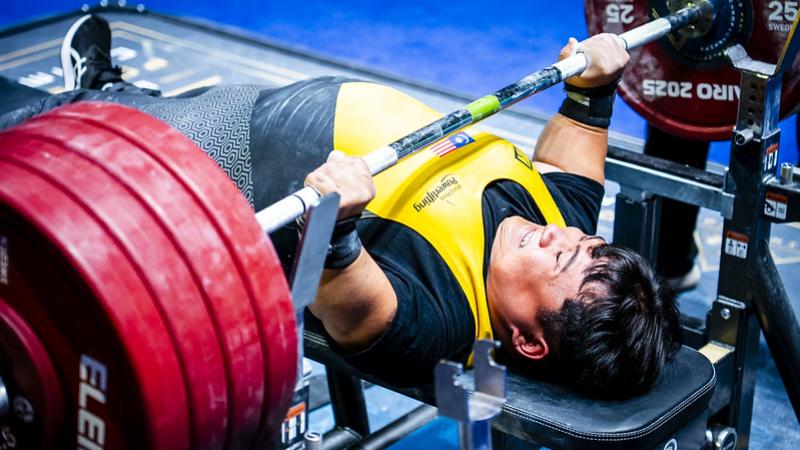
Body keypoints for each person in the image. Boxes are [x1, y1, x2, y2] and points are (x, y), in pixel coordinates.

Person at [0, 15, 681, 398]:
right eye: (591, 247)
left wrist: (336, 228)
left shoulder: (440, 324)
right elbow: (574, 155)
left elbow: (357, 310)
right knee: (146, 108)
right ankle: (108, 90)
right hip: (295, 102)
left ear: (529, 339)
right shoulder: (560, 233)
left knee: (72, 136)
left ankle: (88, 100)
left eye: (570, 262)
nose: (567, 237)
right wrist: (596, 82)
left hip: (245, 156)